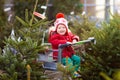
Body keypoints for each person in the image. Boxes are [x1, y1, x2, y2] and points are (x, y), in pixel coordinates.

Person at [48, 12, 81, 77]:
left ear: (66, 29)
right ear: (56, 29)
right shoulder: (55, 36)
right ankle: (71, 74)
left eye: (63, 28)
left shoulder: (68, 35)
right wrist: (64, 42)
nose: (61, 29)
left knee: (77, 59)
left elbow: (74, 36)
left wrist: (74, 39)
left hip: (69, 54)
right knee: (69, 62)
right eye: (59, 28)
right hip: (60, 55)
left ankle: (75, 71)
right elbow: (54, 42)